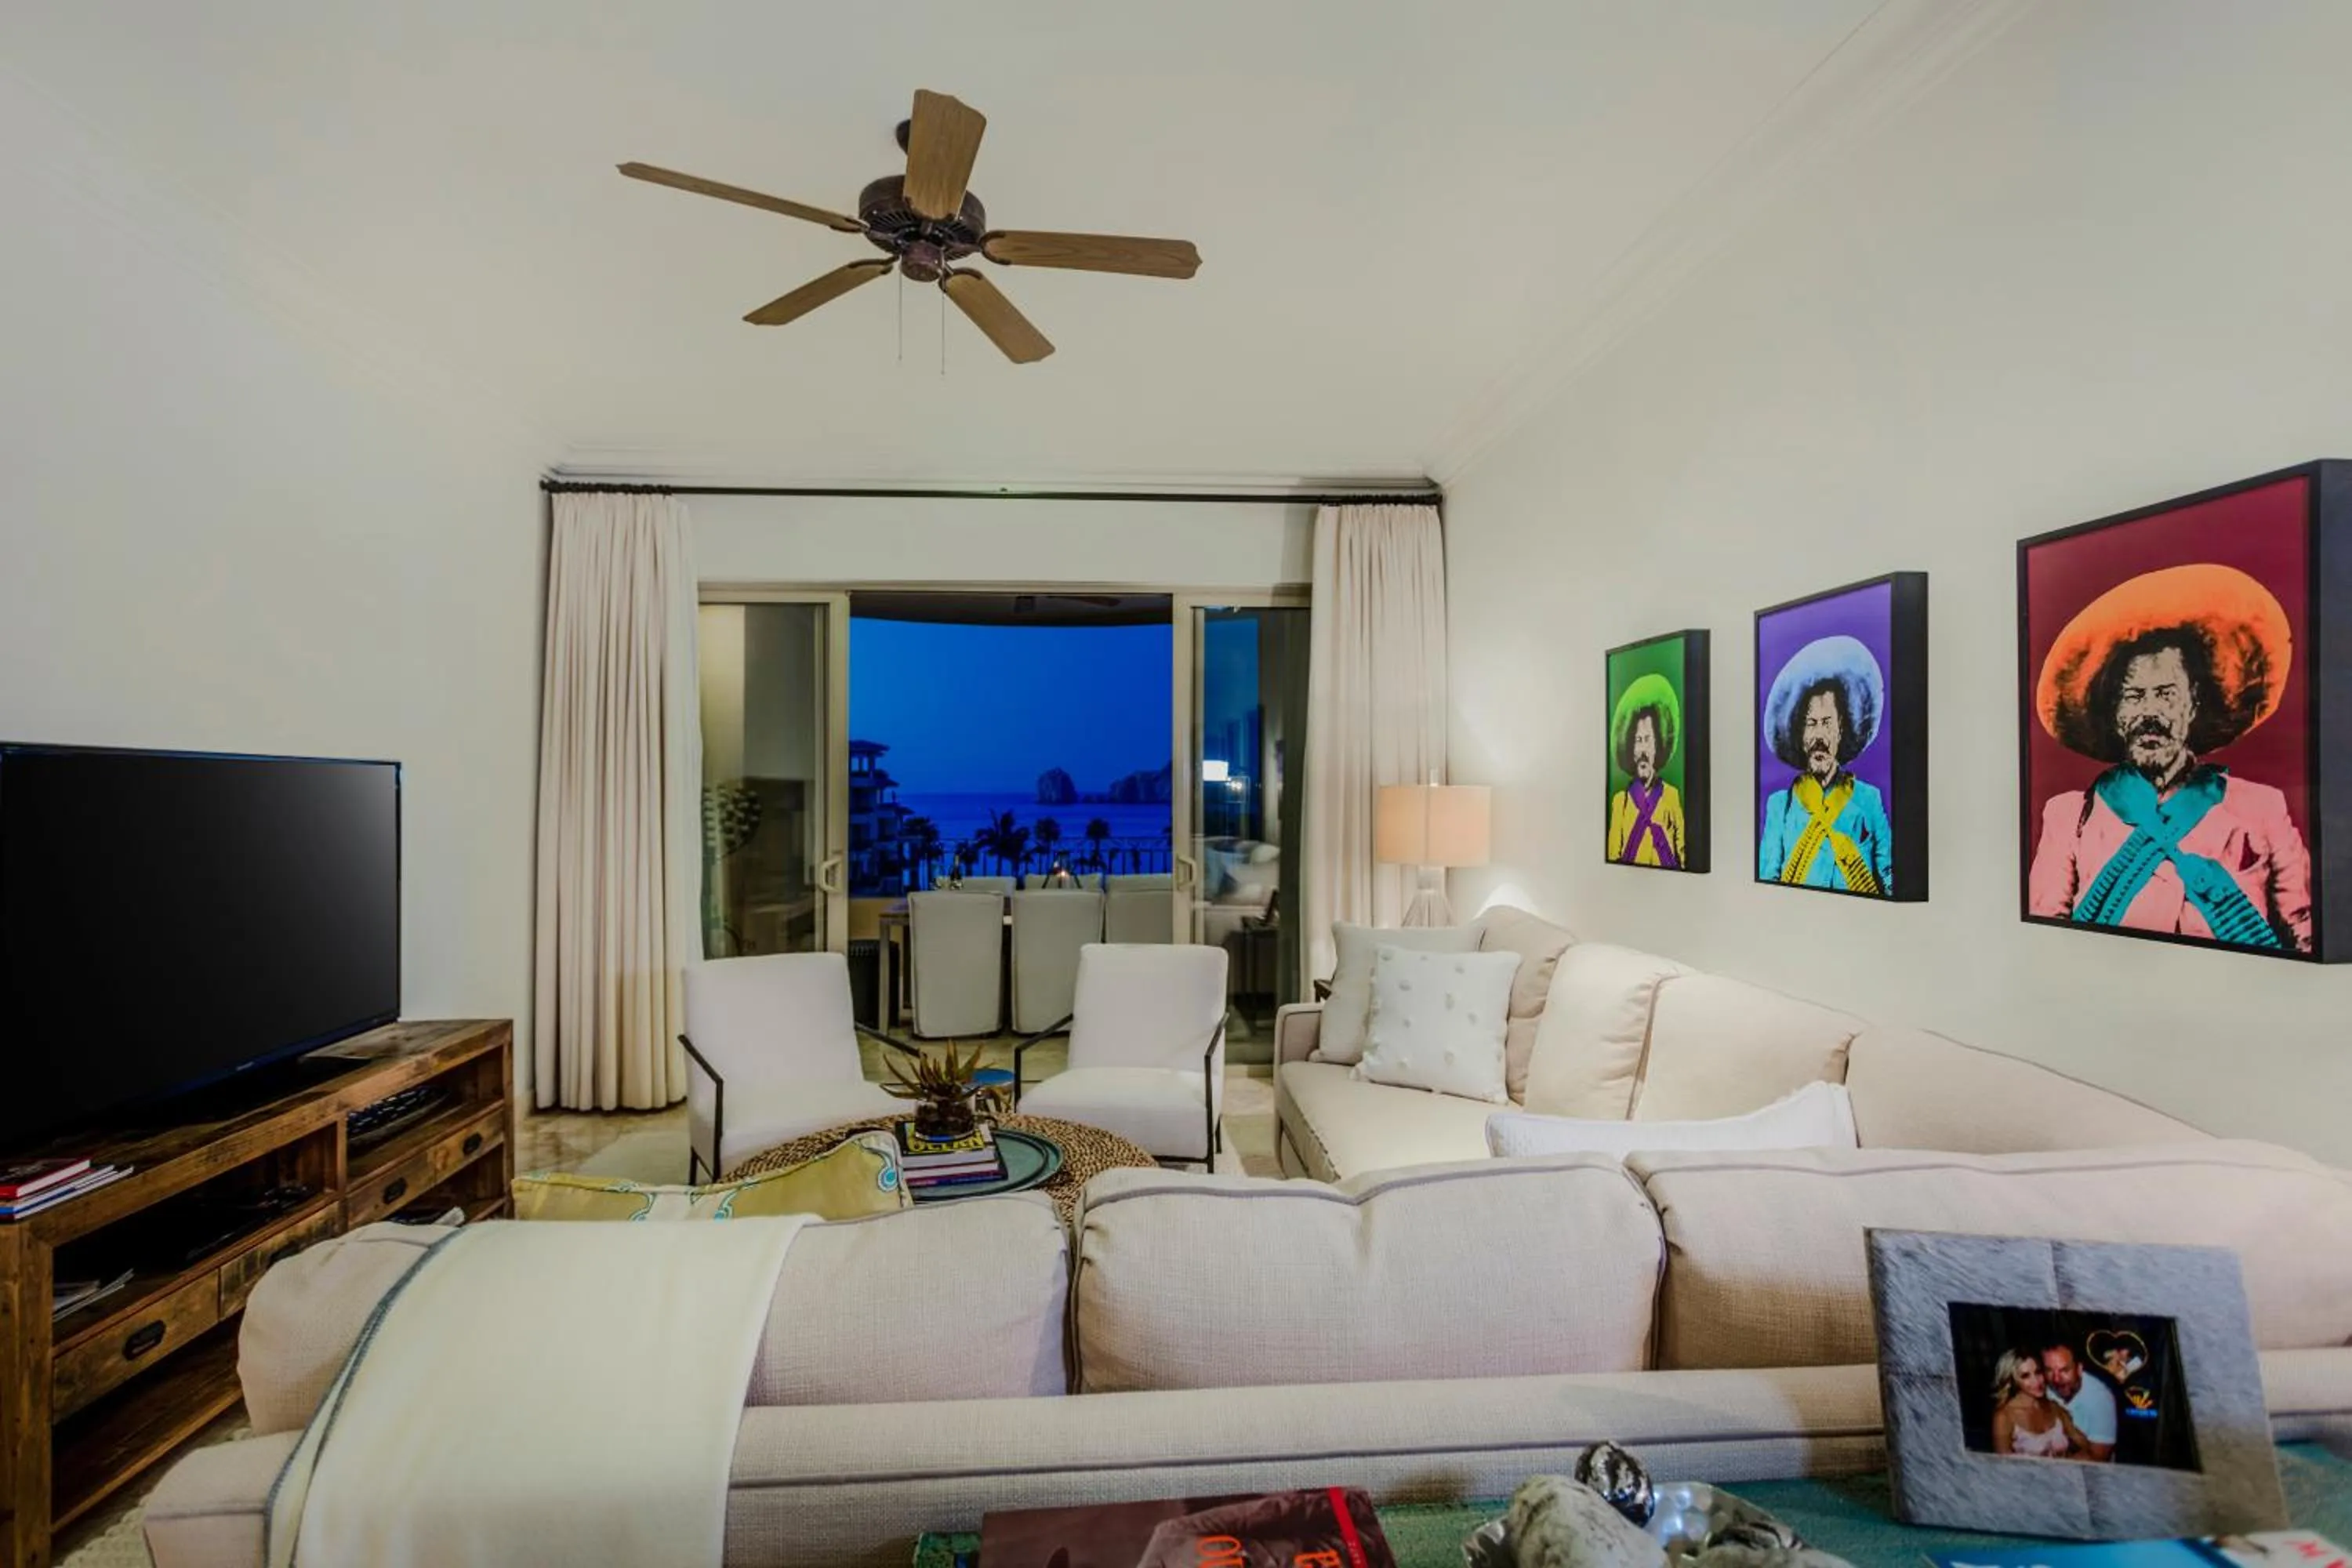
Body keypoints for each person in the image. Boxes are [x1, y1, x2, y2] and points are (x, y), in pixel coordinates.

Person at [2027, 563, 2312, 953]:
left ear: (2195, 703)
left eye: (2165, 694)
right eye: (2133, 696)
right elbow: (2046, 943)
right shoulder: (2069, 817)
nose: (2149, 714)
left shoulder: (2261, 808)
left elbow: (2305, 935)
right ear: (2114, 714)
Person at [1757, 635, 1893, 894]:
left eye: (1827, 723)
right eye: (1811, 724)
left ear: (1842, 730)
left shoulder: (1869, 800)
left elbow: (1889, 876)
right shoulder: (1780, 806)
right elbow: (1768, 881)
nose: (1819, 736)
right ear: (1799, 734)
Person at [1606, 673, 1687, 869]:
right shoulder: (1621, 802)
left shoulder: (1671, 797)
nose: (1642, 750)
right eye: (1637, 741)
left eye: (1648, 740)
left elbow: (1683, 854)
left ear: (1657, 745)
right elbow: (1614, 855)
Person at [1990, 1348, 2090, 1460]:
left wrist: (2071, 1461)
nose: (2036, 1381)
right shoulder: (2004, 1417)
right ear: (2013, 1380)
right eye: (2025, 1376)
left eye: (2038, 1372)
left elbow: (2087, 1447)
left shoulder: (2055, 1408)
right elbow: (2001, 1467)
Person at [2041, 1341, 2116, 1462]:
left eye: (2064, 1370)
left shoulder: (2101, 1398)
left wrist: (2051, 1469)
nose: (2056, 1379)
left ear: (2079, 1369)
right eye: (2049, 1370)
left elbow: (2098, 1457)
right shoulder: (2041, 1388)